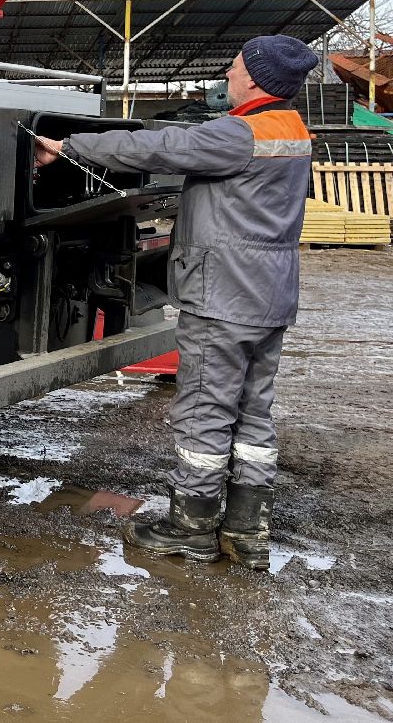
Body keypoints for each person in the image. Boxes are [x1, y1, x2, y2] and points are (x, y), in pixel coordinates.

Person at [33, 35, 319, 570]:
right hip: (270, 296)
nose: (226, 78)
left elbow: (156, 148)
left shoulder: (239, 134)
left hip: (224, 297)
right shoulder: (292, 130)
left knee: (205, 409)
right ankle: (246, 527)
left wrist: (69, 147)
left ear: (255, 79)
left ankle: (191, 525)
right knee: (253, 411)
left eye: (233, 69)